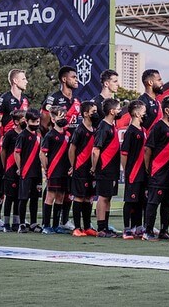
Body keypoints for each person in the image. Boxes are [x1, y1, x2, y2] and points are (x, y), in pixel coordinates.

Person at [143, 96, 169, 241]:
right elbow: (148, 149)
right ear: (167, 110)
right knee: (153, 202)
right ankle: (148, 231)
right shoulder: (158, 126)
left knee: (167, 203)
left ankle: (164, 230)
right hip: (158, 170)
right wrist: (148, 168)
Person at [91, 98, 121, 238]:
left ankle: (105, 226)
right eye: (119, 108)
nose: (120, 111)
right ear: (112, 111)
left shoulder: (112, 125)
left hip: (112, 169)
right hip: (104, 168)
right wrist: (94, 167)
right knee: (103, 197)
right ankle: (101, 228)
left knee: (108, 197)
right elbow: (96, 150)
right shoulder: (103, 127)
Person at [68, 101, 98, 237]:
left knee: (88, 197)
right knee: (79, 198)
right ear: (85, 114)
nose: (96, 114)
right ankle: (77, 228)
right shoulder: (79, 130)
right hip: (80, 168)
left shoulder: (95, 129)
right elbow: (72, 149)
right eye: (93, 112)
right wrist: (73, 166)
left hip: (91, 170)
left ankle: (87, 226)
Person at [39, 106, 71, 234]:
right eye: (59, 116)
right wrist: (47, 168)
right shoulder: (50, 135)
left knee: (61, 197)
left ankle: (56, 225)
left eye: (64, 116)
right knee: (50, 196)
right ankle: (46, 225)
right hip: (53, 170)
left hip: (64, 171)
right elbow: (42, 154)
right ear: (52, 119)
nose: (62, 119)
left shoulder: (67, 135)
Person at [120, 100, 147, 239]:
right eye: (143, 111)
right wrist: (126, 170)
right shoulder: (130, 131)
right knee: (130, 201)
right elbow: (124, 154)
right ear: (136, 113)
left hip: (143, 172)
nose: (145, 113)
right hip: (133, 171)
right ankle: (127, 228)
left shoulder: (143, 130)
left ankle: (138, 226)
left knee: (140, 200)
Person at [14, 109, 43, 233]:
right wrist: (20, 168)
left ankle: (33, 223)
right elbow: (17, 153)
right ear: (26, 121)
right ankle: (21, 223)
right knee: (23, 198)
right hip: (26, 171)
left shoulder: (38, 135)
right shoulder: (23, 135)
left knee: (35, 198)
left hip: (37, 172)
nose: (35, 123)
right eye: (33, 121)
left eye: (37, 121)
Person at [1, 109, 26, 232]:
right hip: (10, 169)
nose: (26, 121)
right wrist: (5, 166)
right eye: (23, 119)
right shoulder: (10, 134)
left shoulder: (26, 134)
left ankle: (16, 223)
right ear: (16, 121)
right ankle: (6, 223)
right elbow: (3, 151)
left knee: (18, 197)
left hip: (22, 169)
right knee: (9, 197)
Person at [41, 66, 81, 133]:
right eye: (73, 77)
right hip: (60, 141)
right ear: (64, 79)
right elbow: (44, 124)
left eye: (76, 77)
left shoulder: (78, 100)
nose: (77, 80)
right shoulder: (53, 99)